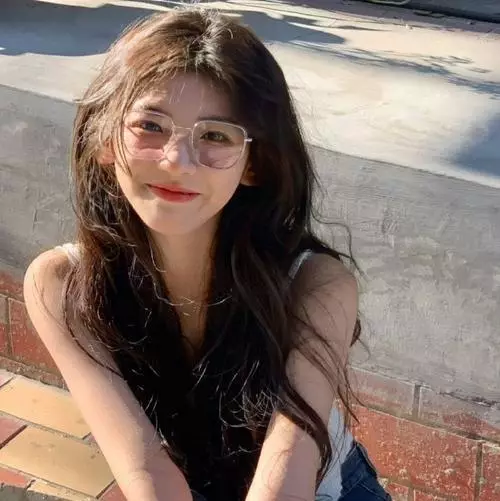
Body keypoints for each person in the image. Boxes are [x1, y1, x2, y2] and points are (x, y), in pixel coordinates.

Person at [24, 8, 391, 501]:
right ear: (105, 140)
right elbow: (146, 471)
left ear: (254, 164)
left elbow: (285, 483)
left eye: (216, 135)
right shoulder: (61, 285)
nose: (177, 162)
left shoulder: (318, 285)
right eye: (150, 125)